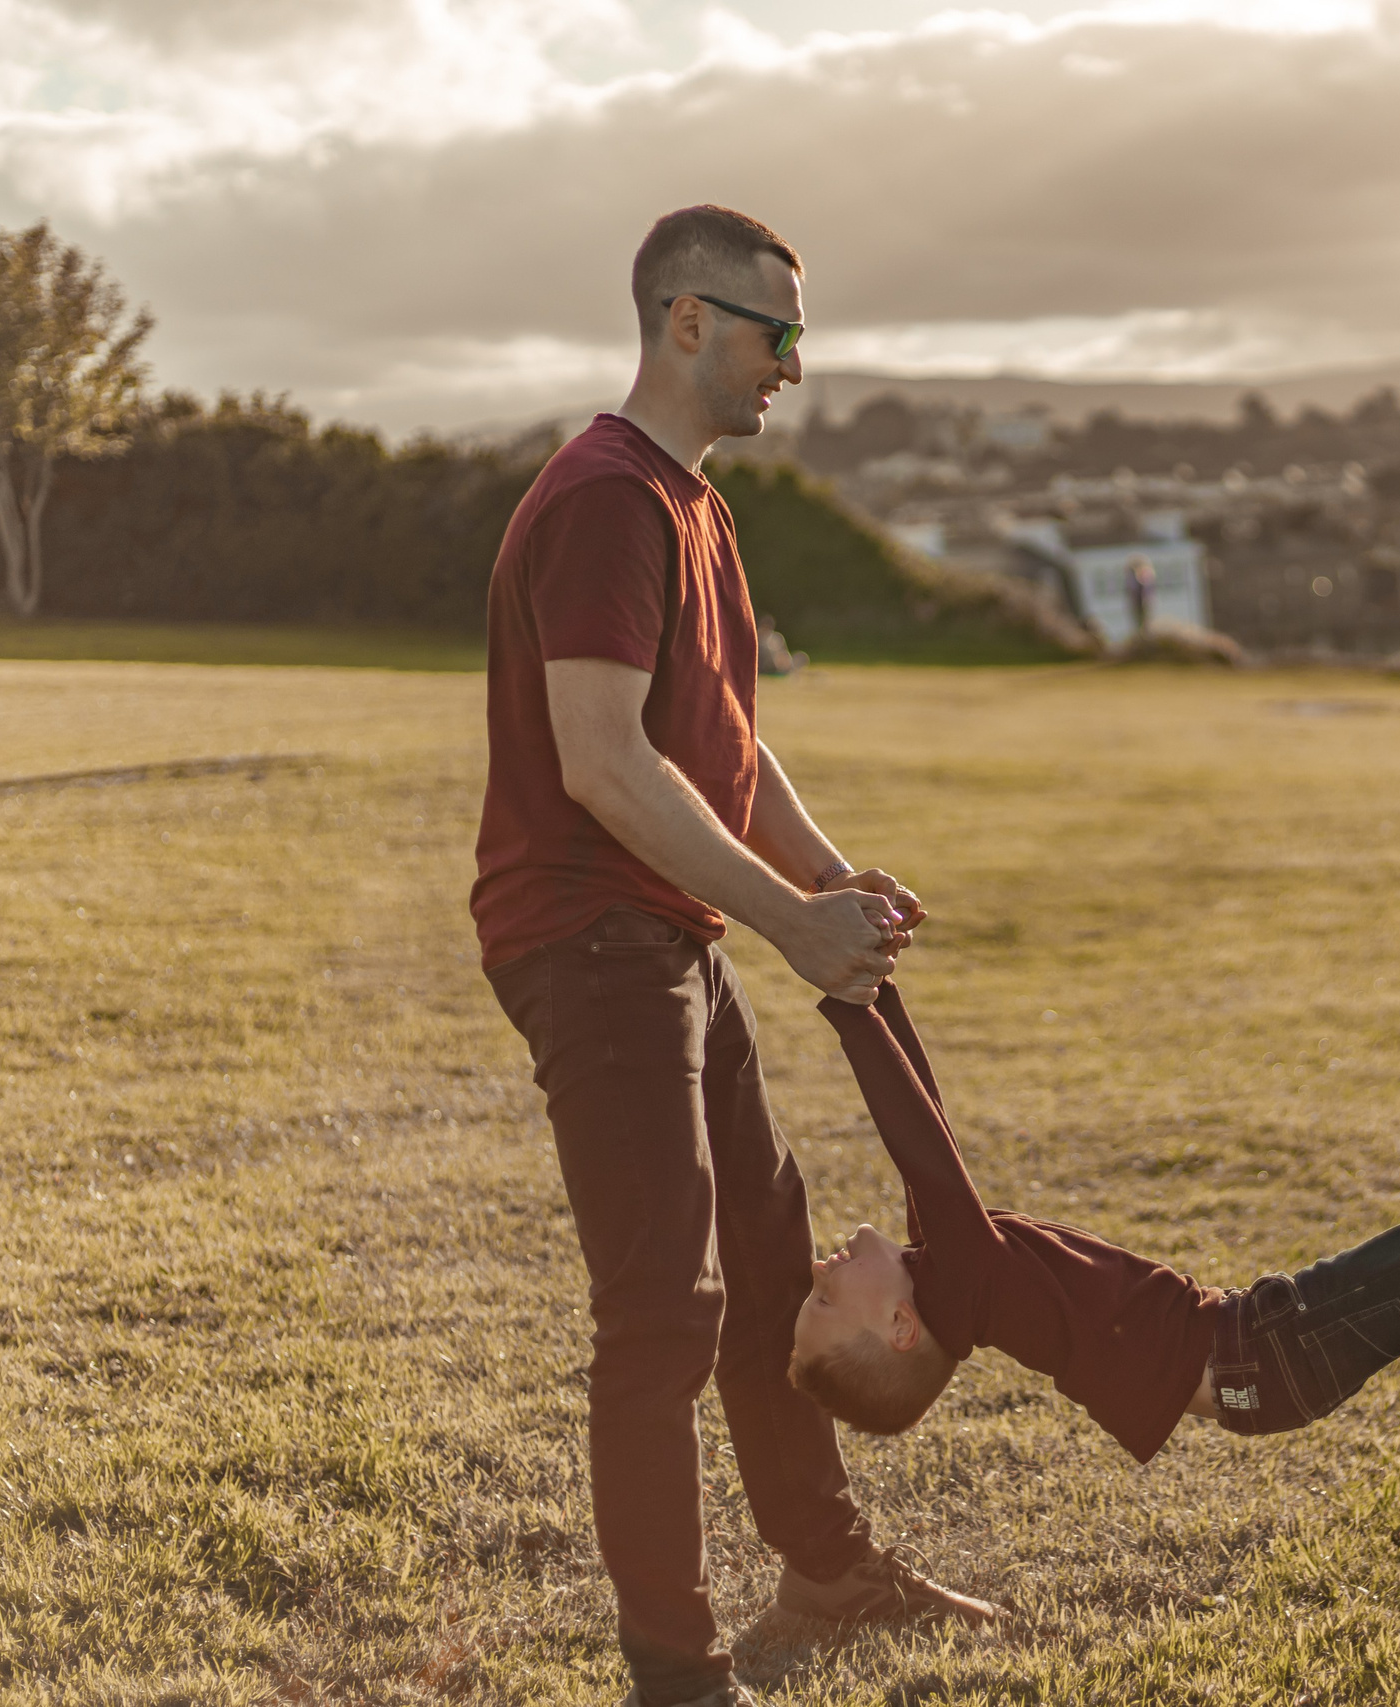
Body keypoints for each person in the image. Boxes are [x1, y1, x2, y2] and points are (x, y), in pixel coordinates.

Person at [470, 205, 993, 1707]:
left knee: (767, 1265)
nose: (797, 367)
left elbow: (727, 749)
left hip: (668, 935)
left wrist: (828, 876)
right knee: (661, 1310)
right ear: (686, 320)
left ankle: (826, 1571)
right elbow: (601, 760)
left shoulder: (696, 508)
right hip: (587, 936)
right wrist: (788, 920)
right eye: (778, 334)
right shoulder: (602, 501)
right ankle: (677, 1673)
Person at [788, 982, 1400, 1458]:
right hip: (1268, 1357)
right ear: (900, 1326)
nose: (826, 1264)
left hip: (1268, 1345)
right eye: (828, 1292)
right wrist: (846, 1001)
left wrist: (877, 984)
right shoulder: (965, 1281)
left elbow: (930, 1126)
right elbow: (919, 1143)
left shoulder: (951, 1270)